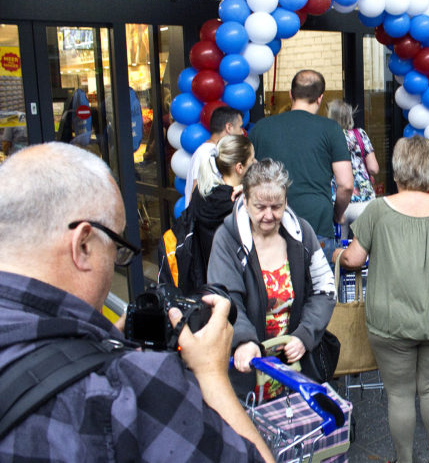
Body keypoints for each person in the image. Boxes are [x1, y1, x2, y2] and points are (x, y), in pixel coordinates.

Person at [0, 142, 272, 462]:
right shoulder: (123, 387)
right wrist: (212, 375)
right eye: (116, 247)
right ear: (83, 245)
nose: (117, 261)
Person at [334, 136, 429, 463]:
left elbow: (354, 259)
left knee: (398, 394)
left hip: (390, 319)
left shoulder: (378, 210)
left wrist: (339, 254)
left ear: (397, 170)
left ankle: (404, 459)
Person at [208, 158, 336, 399]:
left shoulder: (302, 233)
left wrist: (304, 335)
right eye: (260, 207)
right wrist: (245, 339)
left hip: (294, 370)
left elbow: (325, 289)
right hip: (246, 371)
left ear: (286, 201)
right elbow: (224, 299)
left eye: (276, 206)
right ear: (245, 201)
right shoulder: (227, 239)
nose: (269, 215)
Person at [249, 70, 354, 263]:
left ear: (290, 94)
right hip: (317, 223)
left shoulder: (260, 128)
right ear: (320, 98)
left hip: (270, 224)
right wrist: (337, 214)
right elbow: (346, 184)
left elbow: (246, 177)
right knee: (320, 289)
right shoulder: (330, 129)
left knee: (275, 290)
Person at [189, 134, 255, 281]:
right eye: (252, 160)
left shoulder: (201, 194)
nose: (255, 163)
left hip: (204, 279)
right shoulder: (238, 203)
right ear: (239, 167)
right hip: (233, 281)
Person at [327, 100, 379, 239]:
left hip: (337, 202)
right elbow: (374, 168)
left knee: (339, 252)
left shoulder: (328, 137)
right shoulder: (360, 134)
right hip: (364, 201)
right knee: (364, 251)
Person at [185, 106, 243, 205]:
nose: (242, 132)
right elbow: (196, 195)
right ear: (229, 127)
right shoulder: (206, 154)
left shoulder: (214, 151)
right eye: (240, 127)